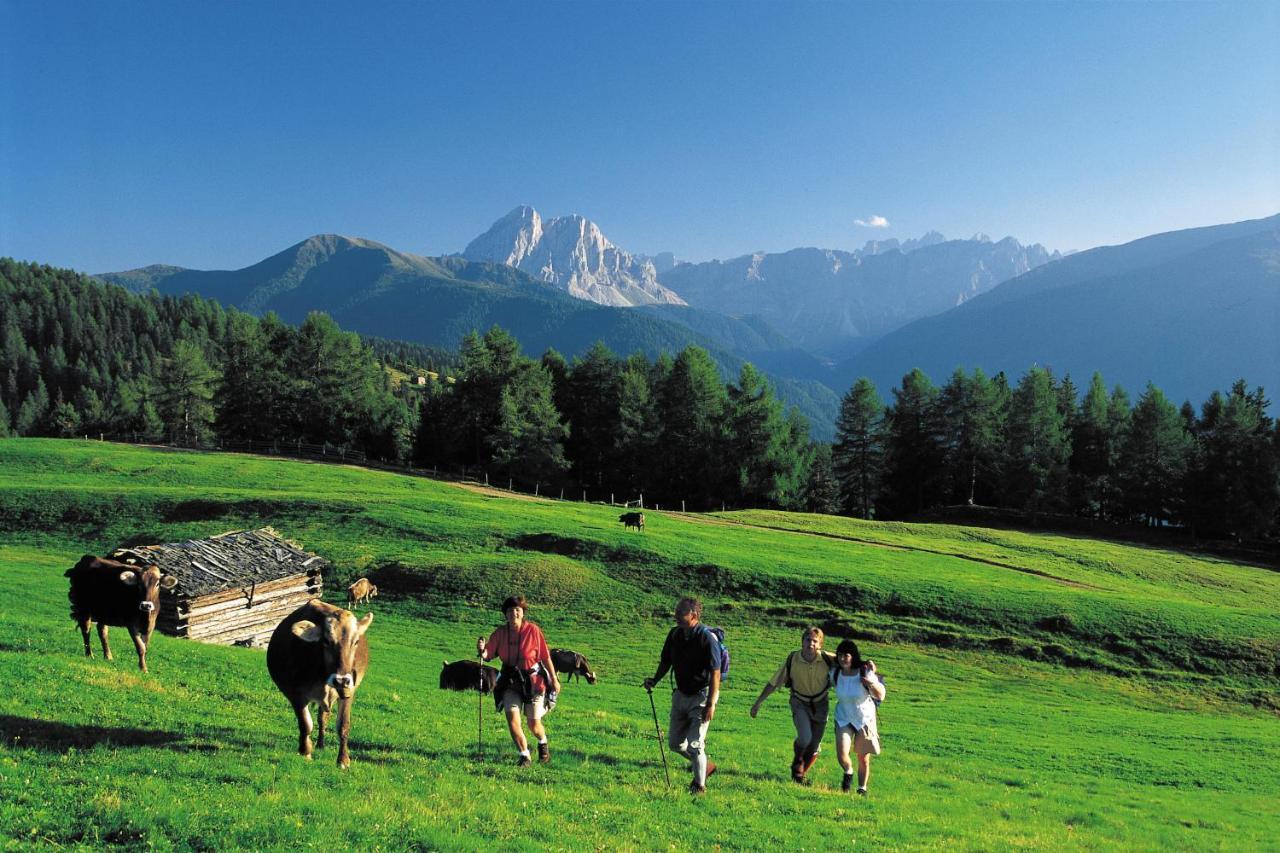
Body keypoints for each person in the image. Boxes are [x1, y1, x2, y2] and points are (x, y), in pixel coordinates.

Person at [642, 597, 722, 794]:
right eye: (676, 612)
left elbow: (715, 673)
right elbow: (666, 661)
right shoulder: (675, 634)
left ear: (693, 615)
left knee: (695, 745)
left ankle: (699, 786)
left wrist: (711, 703)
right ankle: (705, 765)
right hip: (680, 695)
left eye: (680, 613)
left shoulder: (707, 639)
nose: (675, 616)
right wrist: (655, 679)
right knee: (675, 744)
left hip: (702, 697)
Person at [477, 595, 561, 767]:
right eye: (510, 610)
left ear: (523, 613)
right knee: (512, 719)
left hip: (533, 682)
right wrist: (482, 651)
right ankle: (524, 756)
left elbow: (545, 657)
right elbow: (488, 654)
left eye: (517, 610)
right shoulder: (500, 633)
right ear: (505, 614)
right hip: (510, 682)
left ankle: (542, 742)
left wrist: (554, 679)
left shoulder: (533, 631)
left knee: (533, 724)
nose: (514, 613)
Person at [749, 626, 835, 783]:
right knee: (805, 738)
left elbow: (850, 662)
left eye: (815, 641)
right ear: (802, 642)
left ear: (820, 645)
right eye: (808, 640)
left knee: (815, 745)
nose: (811, 644)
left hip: (821, 704)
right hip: (799, 702)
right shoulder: (793, 659)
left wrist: (868, 666)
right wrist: (758, 703)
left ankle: (799, 775)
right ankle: (798, 764)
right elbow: (773, 683)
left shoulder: (827, 659)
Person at [831, 639, 885, 794]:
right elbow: (823, 655)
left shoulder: (864, 671)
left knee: (863, 758)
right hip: (843, 718)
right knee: (842, 755)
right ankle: (848, 772)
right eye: (840, 655)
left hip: (864, 719)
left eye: (846, 655)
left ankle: (862, 788)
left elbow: (881, 695)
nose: (842, 659)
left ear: (853, 656)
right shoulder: (835, 673)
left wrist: (871, 684)